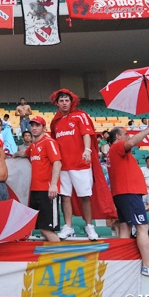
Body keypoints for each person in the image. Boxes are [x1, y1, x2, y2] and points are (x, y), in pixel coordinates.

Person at [106, 116, 149, 276]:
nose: (128, 136)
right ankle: (147, 265)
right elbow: (132, 142)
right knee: (142, 227)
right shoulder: (118, 146)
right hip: (129, 193)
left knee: (125, 227)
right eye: (125, 134)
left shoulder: (113, 152)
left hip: (122, 193)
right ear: (118, 136)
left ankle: (121, 264)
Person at [49, 89, 98, 241]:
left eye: (67, 100)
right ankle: (68, 226)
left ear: (72, 102)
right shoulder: (55, 122)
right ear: (57, 103)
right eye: (61, 101)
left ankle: (89, 226)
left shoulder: (80, 116)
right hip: (63, 165)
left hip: (80, 164)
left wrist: (87, 150)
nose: (64, 103)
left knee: (85, 196)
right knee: (65, 197)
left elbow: (86, 134)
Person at [26, 117, 62, 242]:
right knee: (42, 227)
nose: (34, 128)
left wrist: (53, 185)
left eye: (37, 125)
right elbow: (24, 153)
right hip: (35, 190)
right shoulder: (33, 146)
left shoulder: (49, 142)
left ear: (44, 128)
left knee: (47, 229)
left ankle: (62, 252)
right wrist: (11, 155)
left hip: (48, 191)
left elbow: (57, 163)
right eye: (32, 125)